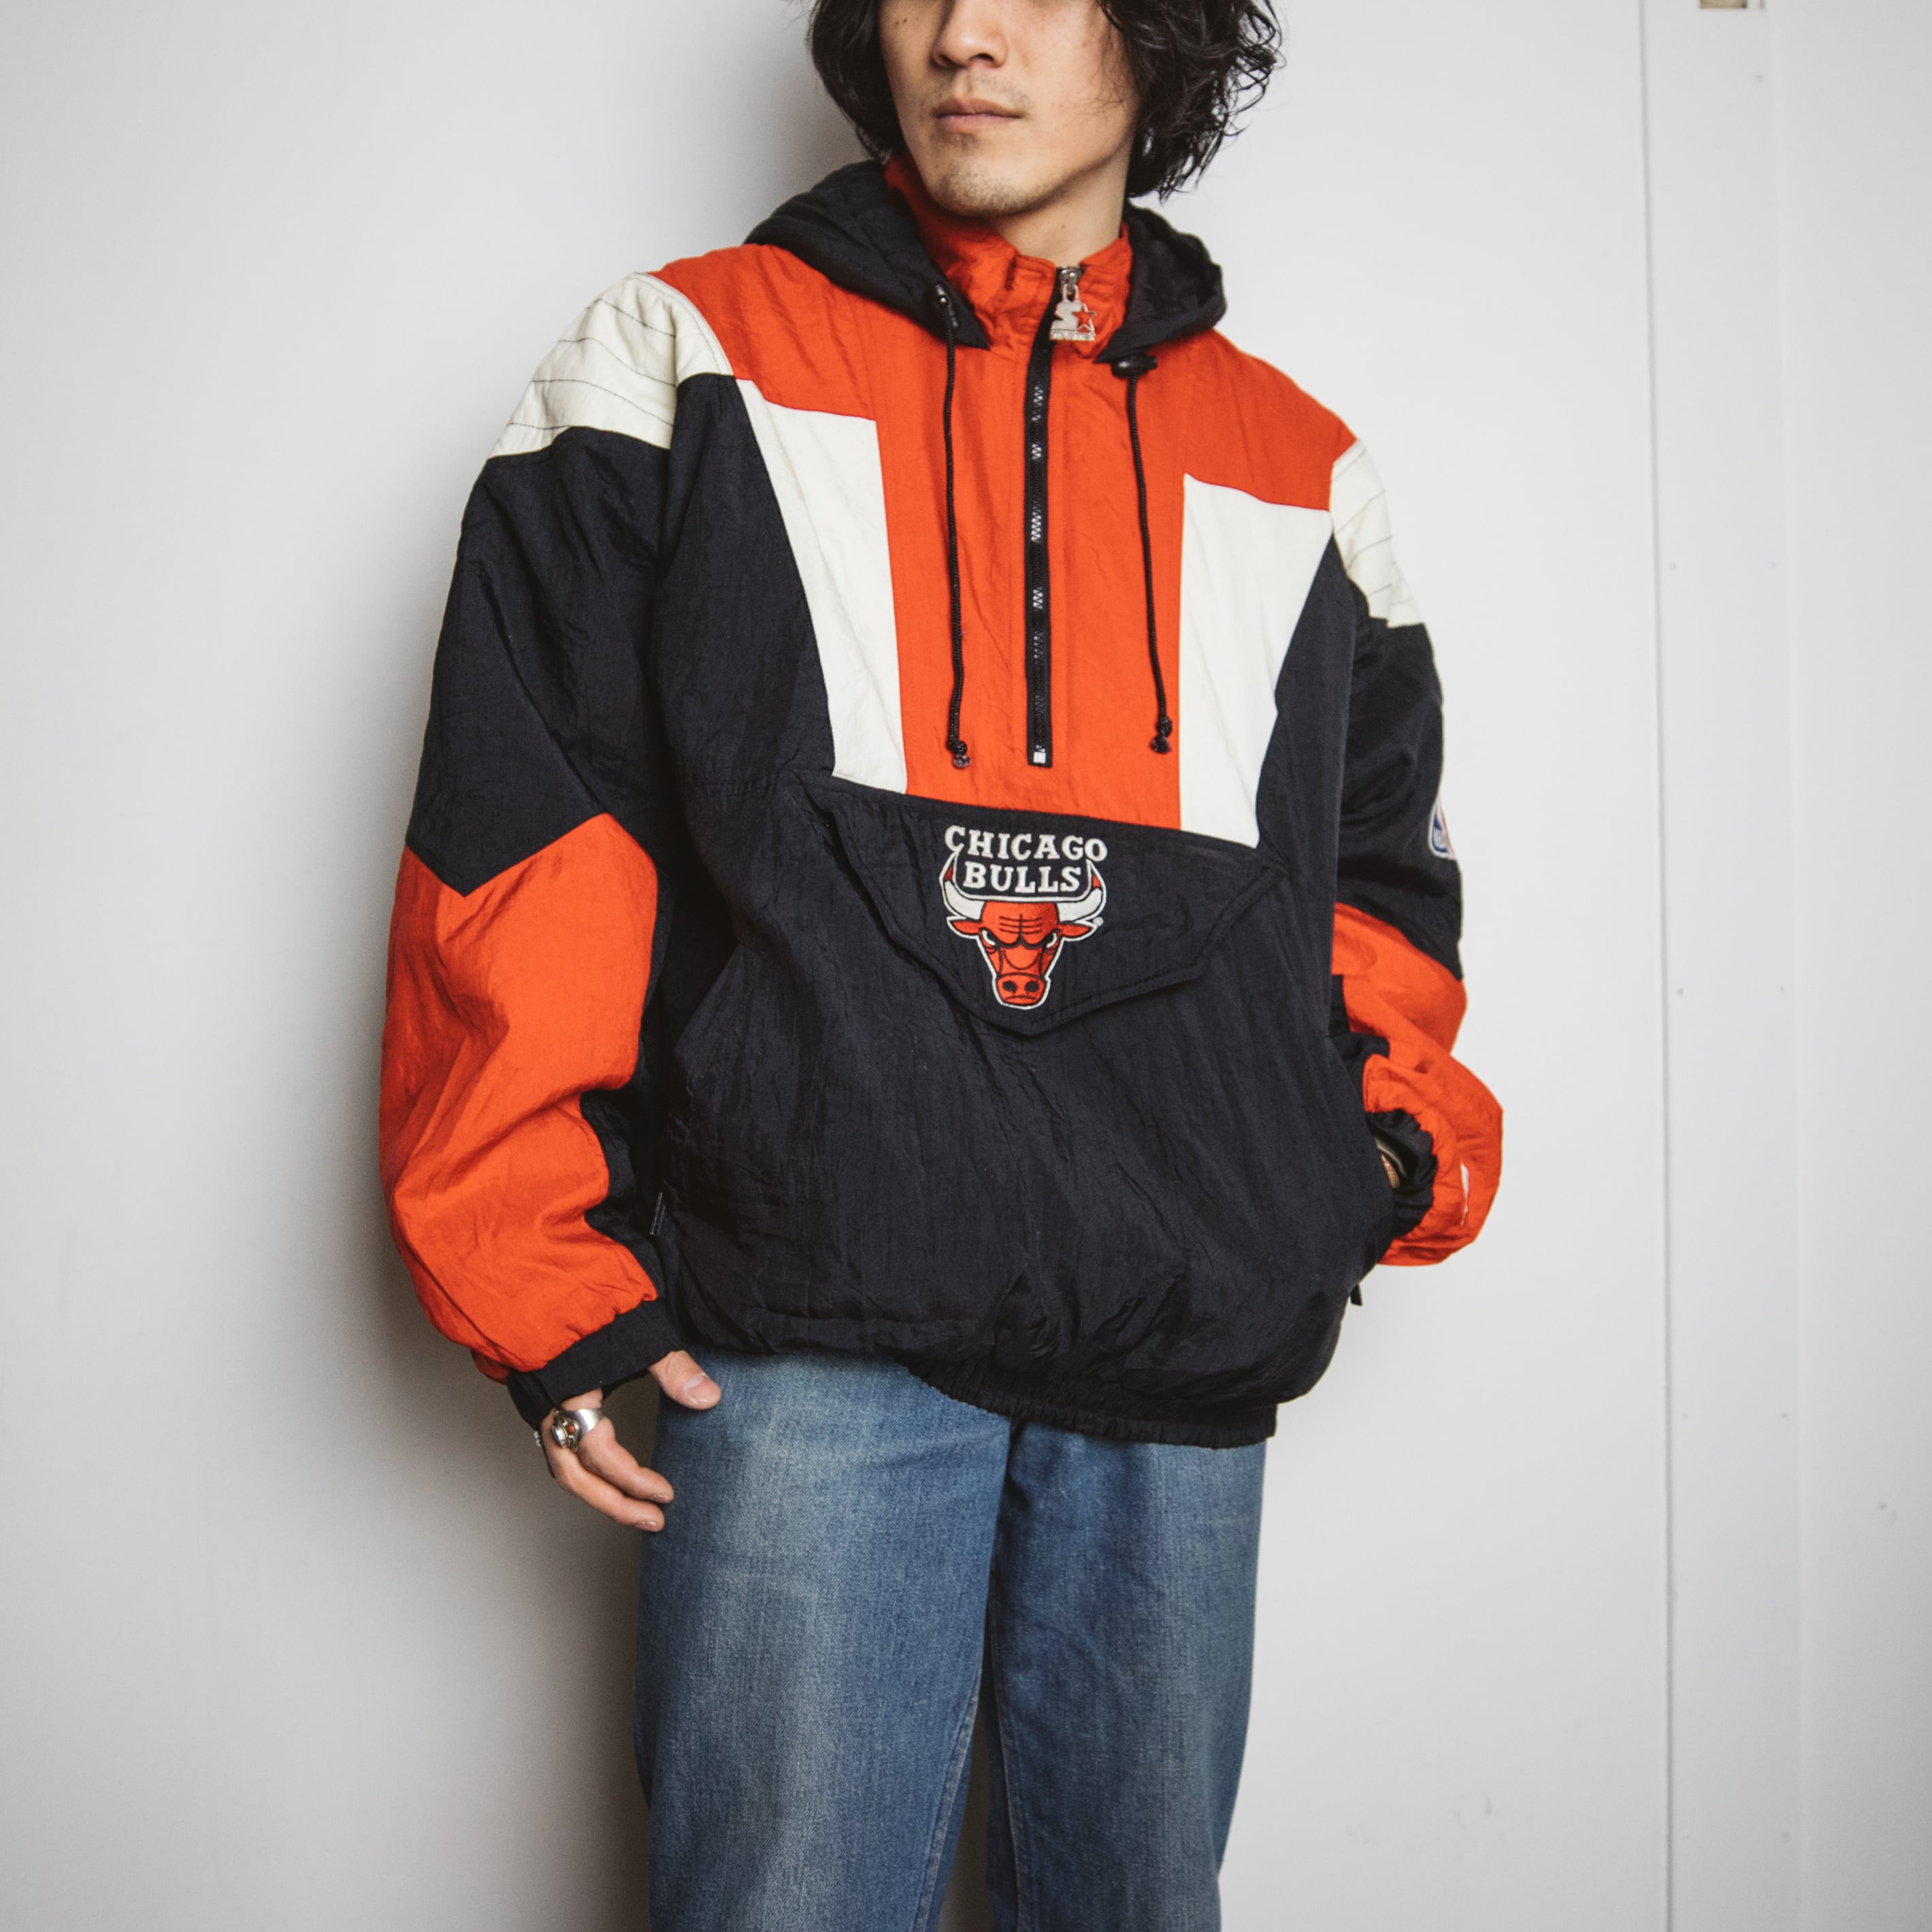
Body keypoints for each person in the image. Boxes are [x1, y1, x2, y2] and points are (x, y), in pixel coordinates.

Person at [379, 0, 1502, 1923]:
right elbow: (529, 816)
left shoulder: (1299, 465)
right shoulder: (686, 355)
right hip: (812, 1318)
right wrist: (535, 1268)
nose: (965, 35)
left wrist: (1376, 1162)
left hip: (1184, 1329)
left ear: (1163, 35)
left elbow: (1381, 877)